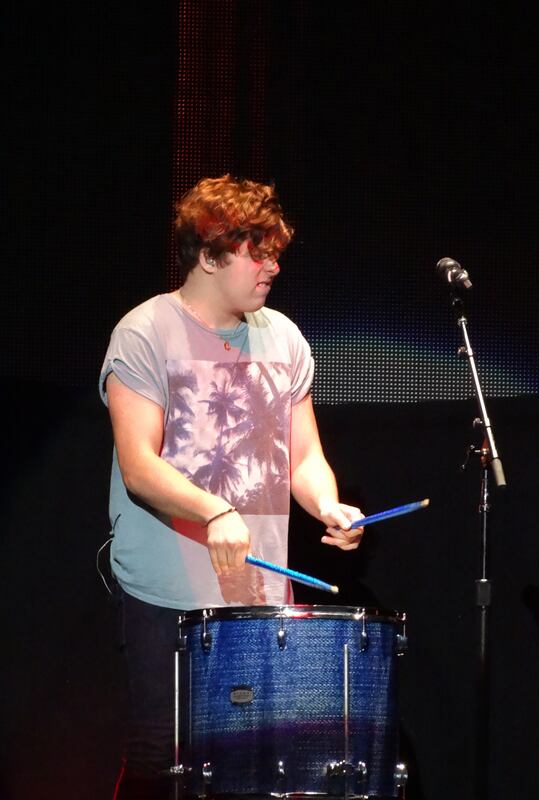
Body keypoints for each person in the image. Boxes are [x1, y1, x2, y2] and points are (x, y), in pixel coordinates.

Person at [99, 174, 365, 799]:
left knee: (248, 769)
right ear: (210, 254)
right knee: (160, 764)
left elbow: (303, 457)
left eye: (276, 252)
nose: (274, 266)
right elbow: (139, 466)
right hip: (167, 596)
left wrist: (328, 505)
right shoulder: (143, 333)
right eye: (258, 252)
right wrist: (214, 508)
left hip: (256, 594)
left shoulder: (285, 337)